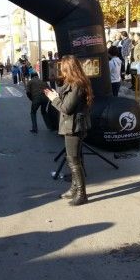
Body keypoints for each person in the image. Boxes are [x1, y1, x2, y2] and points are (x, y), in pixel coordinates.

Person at [44, 55, 93, 206]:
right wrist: (57, 94)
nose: (61, 72)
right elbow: (68, 102)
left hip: (74, 127)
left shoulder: (77, 84)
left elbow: (66, 108)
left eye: (63, 69)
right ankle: (74, 189)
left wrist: (53, 98)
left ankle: (81, 194)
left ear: (69, 69)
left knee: (74, 161)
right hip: (72, 125)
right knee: (74, 159)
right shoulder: (73, 83)